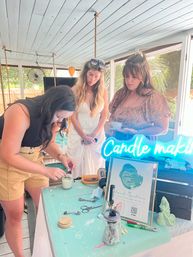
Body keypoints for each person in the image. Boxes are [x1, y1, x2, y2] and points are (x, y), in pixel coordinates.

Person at [0, 85, 76, 257]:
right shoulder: (21, 112)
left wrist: (61, 156)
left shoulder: (54, 119)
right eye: (58, 116)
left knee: (46, 206)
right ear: (51, 105)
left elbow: (45, 143)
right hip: (7, 162)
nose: (59, 121)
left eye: (63, 119)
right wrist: (45, 170)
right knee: (15, 215)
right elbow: (8, 154)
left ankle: (44, 250)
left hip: (33, 157)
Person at [105, 52, 170, 141]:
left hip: (140, 149)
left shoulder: (153, 98)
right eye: (127, 76)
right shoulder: (120, 94)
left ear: (143, 76)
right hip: (116, 146)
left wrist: (137, 133)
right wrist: (108, 125)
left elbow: (163, 128)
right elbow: (112, 118)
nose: (129, 80)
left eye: (134, 77)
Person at [67, 58, 108, 178]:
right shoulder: (74, 91)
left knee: (96, 169)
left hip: (97, 136)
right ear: (85, 73)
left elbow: (104, 114)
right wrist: (84, 136)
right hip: (78, 135)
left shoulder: (103, 91)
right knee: (78, 168)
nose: (92, 79)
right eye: (90, 74)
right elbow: (72, 116)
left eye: (96, 76)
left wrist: (94, 134)